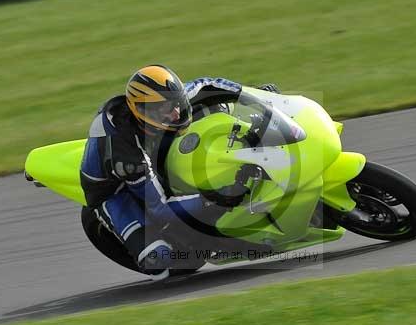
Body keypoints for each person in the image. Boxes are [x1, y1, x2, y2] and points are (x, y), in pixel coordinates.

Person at [80, 64, 279, 280]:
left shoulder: (163, 99)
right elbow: (161, 208)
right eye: (167, 108)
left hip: (151, 147)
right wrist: (216, 197)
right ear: (146, 111)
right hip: (114, 191)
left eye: (176, 103)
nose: (176, 112)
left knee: (215, 107)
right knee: (157, 258)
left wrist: (256, 96)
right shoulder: (127, 155)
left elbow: (208, 84)